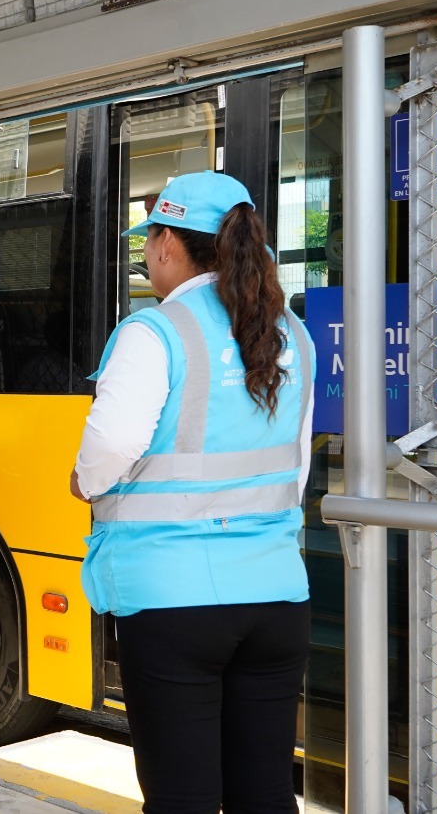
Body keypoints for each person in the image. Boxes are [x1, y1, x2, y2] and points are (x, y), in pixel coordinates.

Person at [68, 172, 314, 814]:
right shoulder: (295, 337)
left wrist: (84, 480)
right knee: (265, 793)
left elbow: (112, 444)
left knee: (183, 798)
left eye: (148, 238)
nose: (146, 254)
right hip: (277, 595)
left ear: (169, 243)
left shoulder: (156, 332)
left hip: (174, 604)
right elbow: (296, 467)